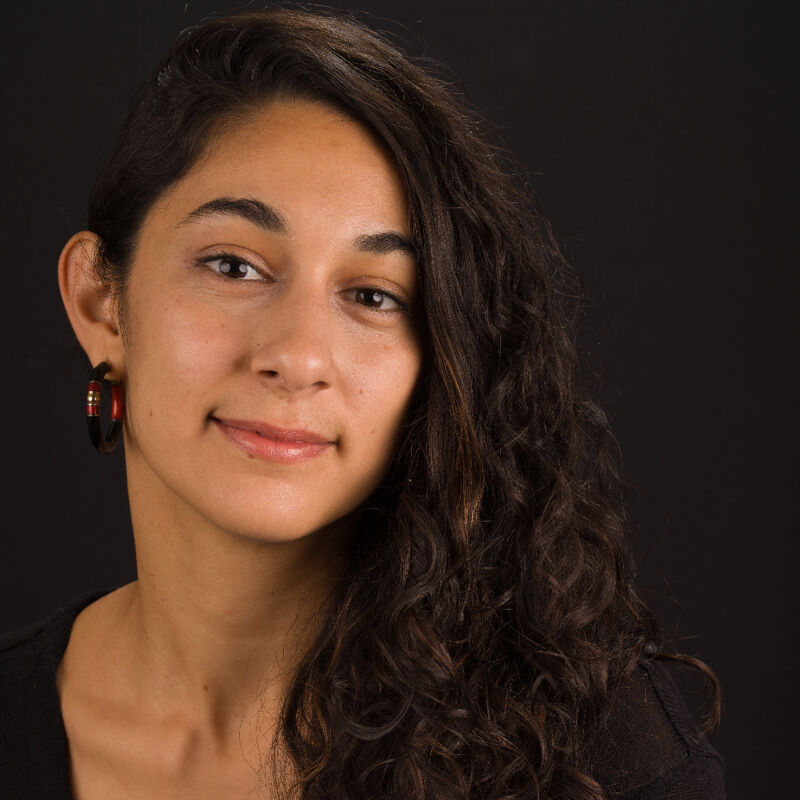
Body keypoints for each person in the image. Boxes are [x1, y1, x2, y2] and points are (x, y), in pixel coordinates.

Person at [0, 6, 726, 799]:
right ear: (102, 303)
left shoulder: (601, 758)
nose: (299, 357)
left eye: (375, 296)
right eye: (234, 266)